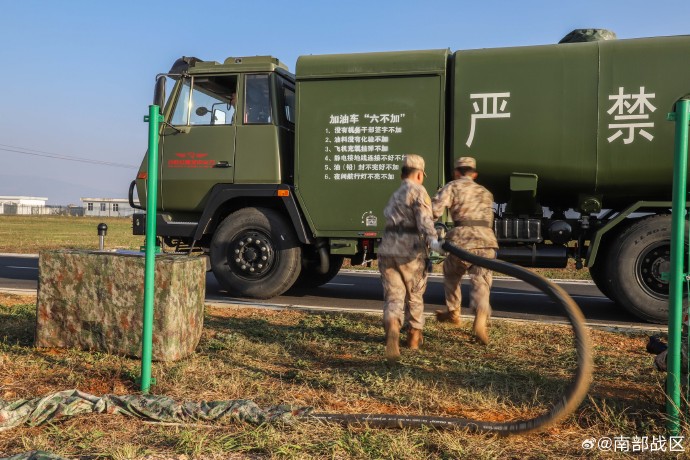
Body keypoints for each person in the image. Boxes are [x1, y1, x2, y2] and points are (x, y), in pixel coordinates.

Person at [378, 154, 442, 361]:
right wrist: (434, 241)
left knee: (393, 295)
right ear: (419, 174)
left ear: (401, 174)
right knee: (414, 293)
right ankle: (414, 337)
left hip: (387, 248)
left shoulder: (395, 193)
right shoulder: (418, 190)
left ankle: (392, 327)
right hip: (409, 251)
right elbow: (424, 220)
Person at [432, 157, 498, 345]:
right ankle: (481, 320)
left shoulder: (453, 186)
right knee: (481, 282)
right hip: (486, 241)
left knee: (451, 274)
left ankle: (453, 311)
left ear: (456, 172)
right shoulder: (486, 192)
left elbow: (434, 210)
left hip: (462, 241)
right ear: (474, 174)